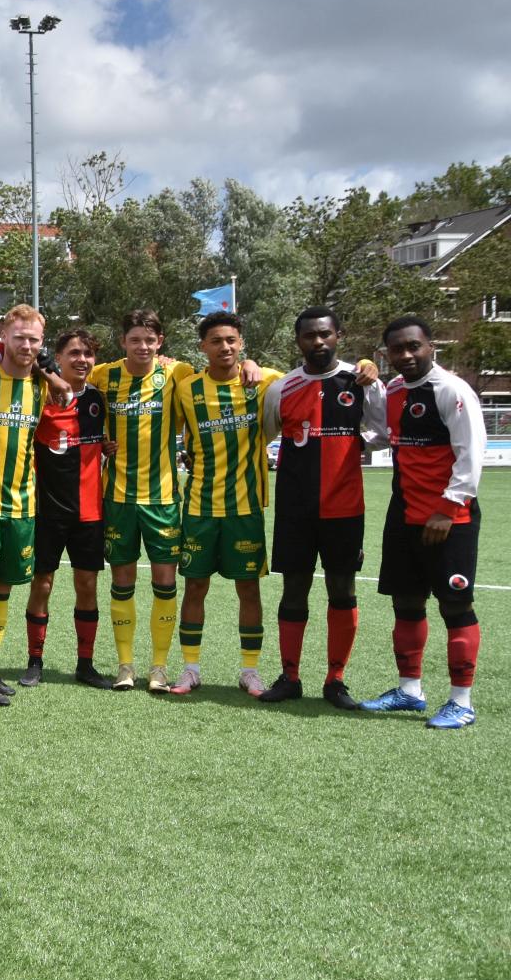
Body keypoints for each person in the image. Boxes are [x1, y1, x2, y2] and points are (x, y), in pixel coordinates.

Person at [360, 316, 485, 729]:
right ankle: (409, 691)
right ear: (387, 354)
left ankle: (461, 702)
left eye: (414, 346)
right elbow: (381, 436)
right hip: (405, 514)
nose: (407, 355)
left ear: (431, 346)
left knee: (455, 605)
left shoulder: (451, 390)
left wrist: (448, 509)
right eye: (398, 349)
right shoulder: (394, 391)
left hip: (450, 518)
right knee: (406, 602)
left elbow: (470, 455)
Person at [262, 308, 380, 708]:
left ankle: (335, 680)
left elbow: (384, 430)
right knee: (294, 588)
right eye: (309, 336)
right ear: (298, 341)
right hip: (295, 509)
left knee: (341, 588)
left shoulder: (359, 380)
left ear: (338, 336)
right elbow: (266, 432)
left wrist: (358, 442)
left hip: (345, 507)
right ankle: (290, 676)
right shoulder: (284, 387)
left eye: (325, 335)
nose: (318, 342)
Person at [167, 311, 281, 696]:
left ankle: (250, 671)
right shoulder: (186, 389)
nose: (225, 347)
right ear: (203, 347)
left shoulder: (264, 381)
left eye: (231, 340)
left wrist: (363, 364)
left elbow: (313, 375)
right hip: (199, 505)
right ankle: (190, 668)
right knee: (194, 587)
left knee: (248, 590)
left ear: (242, 343)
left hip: (246, 508)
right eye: (216, 340)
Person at [0, 306, 67, 710]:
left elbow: (72, 388)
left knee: (4, 590)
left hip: (24, 504)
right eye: (19, 336)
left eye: (33, 339)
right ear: (3, 336)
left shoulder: (42, 386)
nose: (26, 345)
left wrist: (52, 372)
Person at [91, 310, 193, 690]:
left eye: (150, 340)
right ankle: (125, 666)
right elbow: (72, 390)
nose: (143, 347)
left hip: (163, 498)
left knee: (166, 582)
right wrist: (98, 441)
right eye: (135, 340)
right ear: (123, 342)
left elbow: (221, 376)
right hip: (117, 497)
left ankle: (160, 668)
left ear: (160, 342)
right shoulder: (104, 375)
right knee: (122, 582)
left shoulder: (177, 373)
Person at [24, 329, 112, 689]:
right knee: (42, 584)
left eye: (88, 354)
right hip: (49, 510)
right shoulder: (40, 396)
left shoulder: (98, 398)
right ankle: (34, 661)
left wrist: (106, 447)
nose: (82, 360)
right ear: (57, 358)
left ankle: (86, 664)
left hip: (90, 510)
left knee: (87, 584)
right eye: (74, 353)